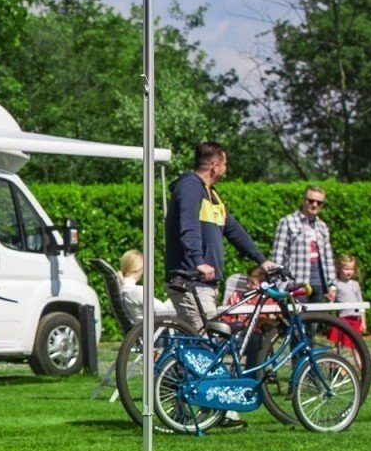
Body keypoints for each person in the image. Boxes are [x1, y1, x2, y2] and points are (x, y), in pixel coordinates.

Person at [164, 141, 276, 333]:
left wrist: (262, 260)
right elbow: (188, 225)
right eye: (225, 164)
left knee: (205, 343)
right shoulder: (190, 186)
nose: (226, 169)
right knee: (204, 343)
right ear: (215, 166)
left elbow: (233, 230)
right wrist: (198, 260)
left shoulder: (211, 195)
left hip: (204, 285)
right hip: (190, 281)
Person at [270, 185, 338, 302]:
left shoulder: (322, 226)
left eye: (319, 202)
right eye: (311, 200)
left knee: (318, 319)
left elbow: (328, 259)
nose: (315, 205)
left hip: (319, 284)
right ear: (304, 200)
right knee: (298, 319)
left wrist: (332, 285)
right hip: (297, 283)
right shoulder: (287, 222)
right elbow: (278, 256)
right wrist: (280, 283)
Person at [116, 249, 176, 327]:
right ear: (138, 269)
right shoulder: (136, 291)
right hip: (151, 332)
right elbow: (165, 312)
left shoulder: (122, 289)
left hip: (140, 331)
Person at [333, 254, 367, 338]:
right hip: (342, 318)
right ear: (340, 269)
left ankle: (357, 352)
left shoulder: (355, 285)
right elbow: (331, 300)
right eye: (346, 269)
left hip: (354, 318)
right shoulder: (336, 283)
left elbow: (361, 304)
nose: (349, 272)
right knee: (339, 342)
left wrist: (363, 322)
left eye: (351, 269)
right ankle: (337, 351)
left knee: (355, 343)